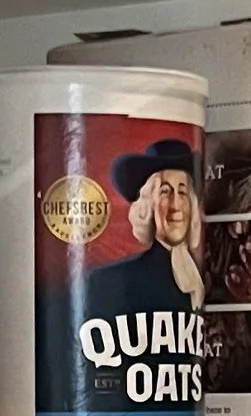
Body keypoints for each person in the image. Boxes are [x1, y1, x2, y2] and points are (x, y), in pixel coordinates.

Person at [81, 137, 206, 325]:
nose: (176, 205)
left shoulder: (203, 272)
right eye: (165, 192)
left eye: (182, 192)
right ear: (148, 206)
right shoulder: (108, 282)